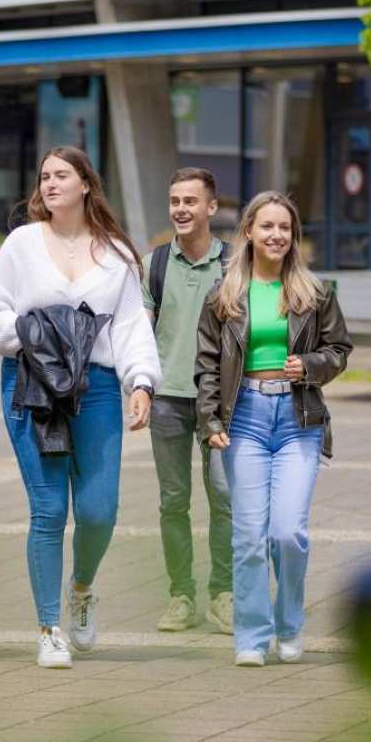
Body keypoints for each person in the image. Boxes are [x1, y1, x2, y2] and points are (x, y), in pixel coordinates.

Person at [0, 146, 160, 669]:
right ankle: (48, 627)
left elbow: (129, 328)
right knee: (50, 509)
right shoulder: (21, 245)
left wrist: (141, 383)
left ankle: (81, 589)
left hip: (98, 388)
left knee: (99, 512)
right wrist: (46, 334)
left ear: (86, 184)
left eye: (62, 175)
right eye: (45, 176)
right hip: (32, 387)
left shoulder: (117, 255)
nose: (50, 183)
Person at [195, 191, 351, 667]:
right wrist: (209, 419)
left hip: (298, 421)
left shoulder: (315, 293)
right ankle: (251, 636)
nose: (276, 235)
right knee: (247, 536)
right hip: (243, 419)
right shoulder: (224, 295)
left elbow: (340, 350)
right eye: (267, 227)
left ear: (293, 236)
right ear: (249, 232)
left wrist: (308, 365)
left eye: (284, 228)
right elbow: (205, 364)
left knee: (287, 532)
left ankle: (290, 625)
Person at [142, 167, 233, 635]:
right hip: (168, 402)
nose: (181, 208)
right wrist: (140, 385)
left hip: (220, 403)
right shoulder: (155, 264)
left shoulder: (235, 265)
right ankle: (181, 596)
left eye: (190, 201)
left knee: (224, 498)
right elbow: (141, 331)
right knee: (173, 502)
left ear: (211, 208)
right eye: (175, 200)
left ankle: (224, 594)